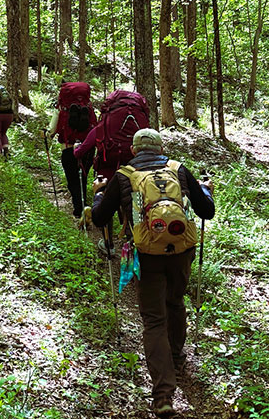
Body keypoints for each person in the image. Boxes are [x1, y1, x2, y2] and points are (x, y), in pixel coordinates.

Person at [90, 128, 214, 418]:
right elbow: (206, 211)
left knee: (154, 319)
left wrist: (98, 195)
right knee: (175, 301)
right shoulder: (178, 170)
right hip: (181, 251)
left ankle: (162, 396)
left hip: (145, 254)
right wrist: (205, 189)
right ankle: (176, 356)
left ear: (134, 150)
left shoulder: (124, 176)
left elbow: (99, 218)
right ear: (160, 148)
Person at [47, 81, 97, 217]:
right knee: (83, 177)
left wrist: (48, 135)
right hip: (87, 147)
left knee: (72, 178)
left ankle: (78, 208)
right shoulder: (88, 107)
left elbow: (52, 128)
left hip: (68, 147)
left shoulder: (62, 108)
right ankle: (84, 204)